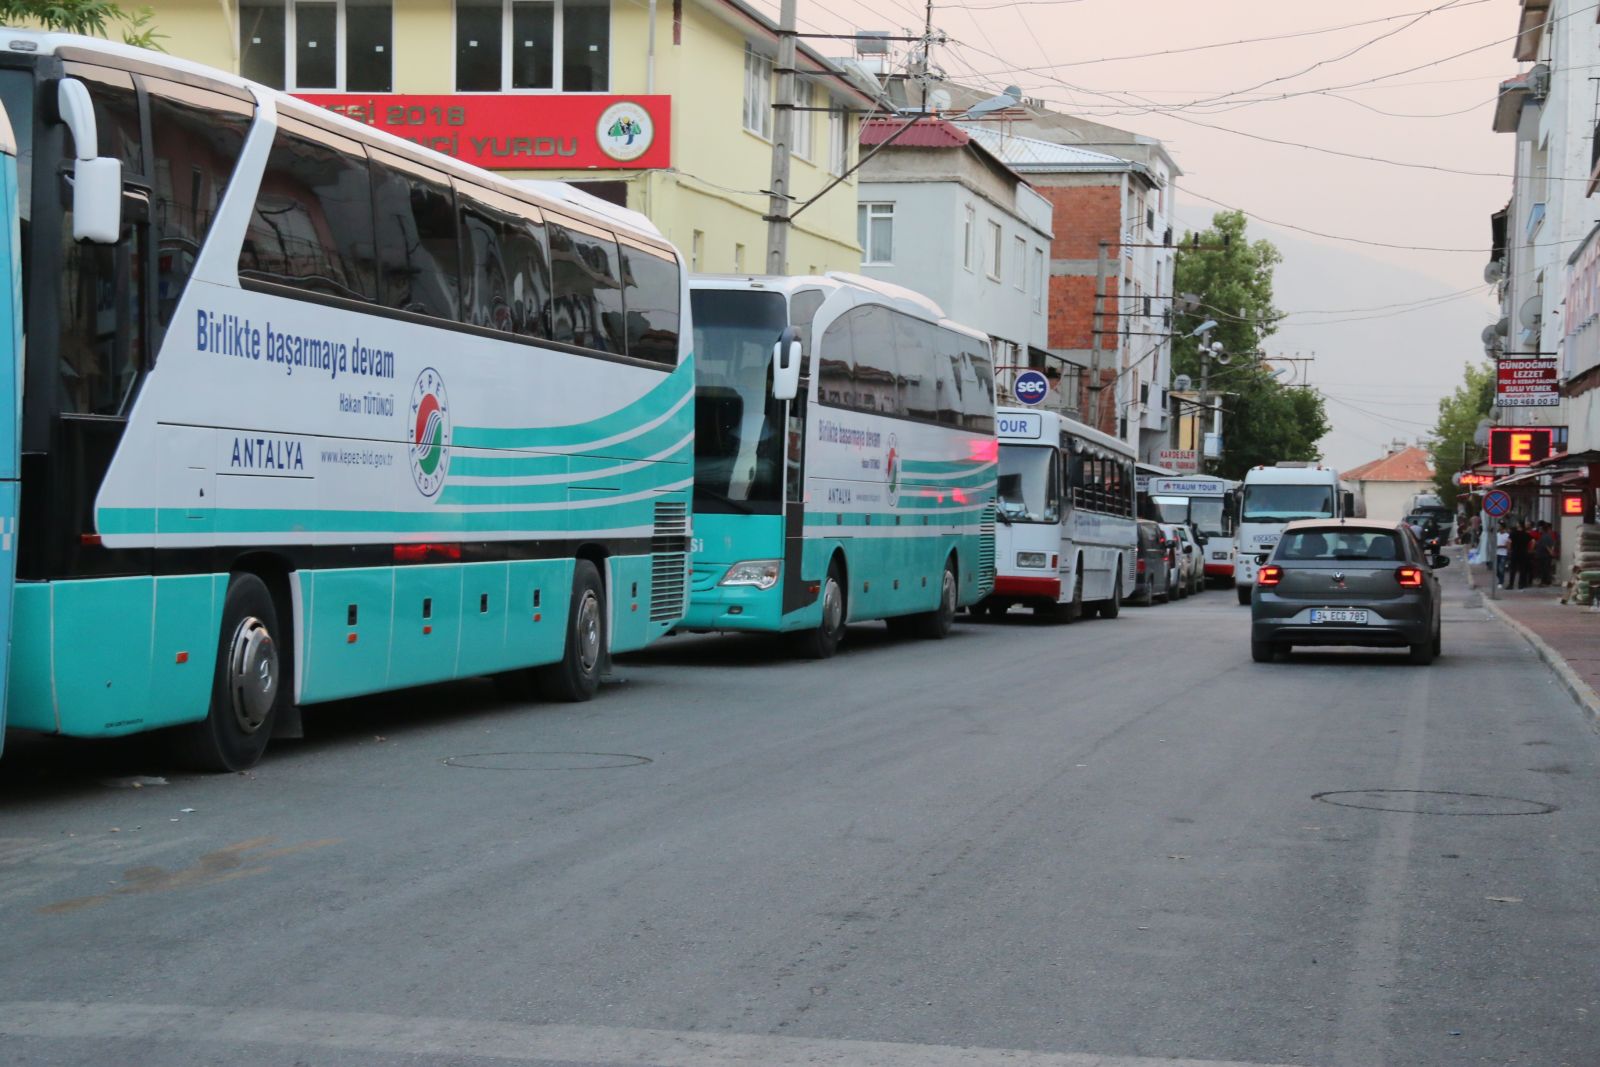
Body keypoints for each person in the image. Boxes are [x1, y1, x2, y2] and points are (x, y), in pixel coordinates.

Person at [1509, 521, 1533, 590]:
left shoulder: (1513, 533)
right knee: (1522, 569)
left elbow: (1509, 542)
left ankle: (1511, 584)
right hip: (1523, 553)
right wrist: (1530, 550)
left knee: (1513, 569)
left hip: (1515, 552)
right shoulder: (1526, 534)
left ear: (1519, 525)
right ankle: (1521, 584)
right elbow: (1533, 541)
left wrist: (1509, 550)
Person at [1535, 521, 1557, 586]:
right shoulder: (1547, 536)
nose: (1539, 530)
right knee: (1546, 568)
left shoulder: (1545, 537)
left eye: (1540, 529)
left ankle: (1545, 582)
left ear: (1543, 530)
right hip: (1544, 556)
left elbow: (1547, 546)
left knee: (1544, 569)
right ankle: (1546, 581)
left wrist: (1551, 553)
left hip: (1544, 556)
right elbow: (1552, 545)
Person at [1496, 522, 1511, 588]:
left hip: (1503, 554)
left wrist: (1501, 546)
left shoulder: (1507, 535)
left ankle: (1501, 582)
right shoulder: (1497, 534)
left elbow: (1508, 546)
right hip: (1497, 553)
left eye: (1499, 526)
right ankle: (1499, 578)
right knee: (1496, 569)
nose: (1498, 527)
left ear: (1503, 527)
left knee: (1501, 568)